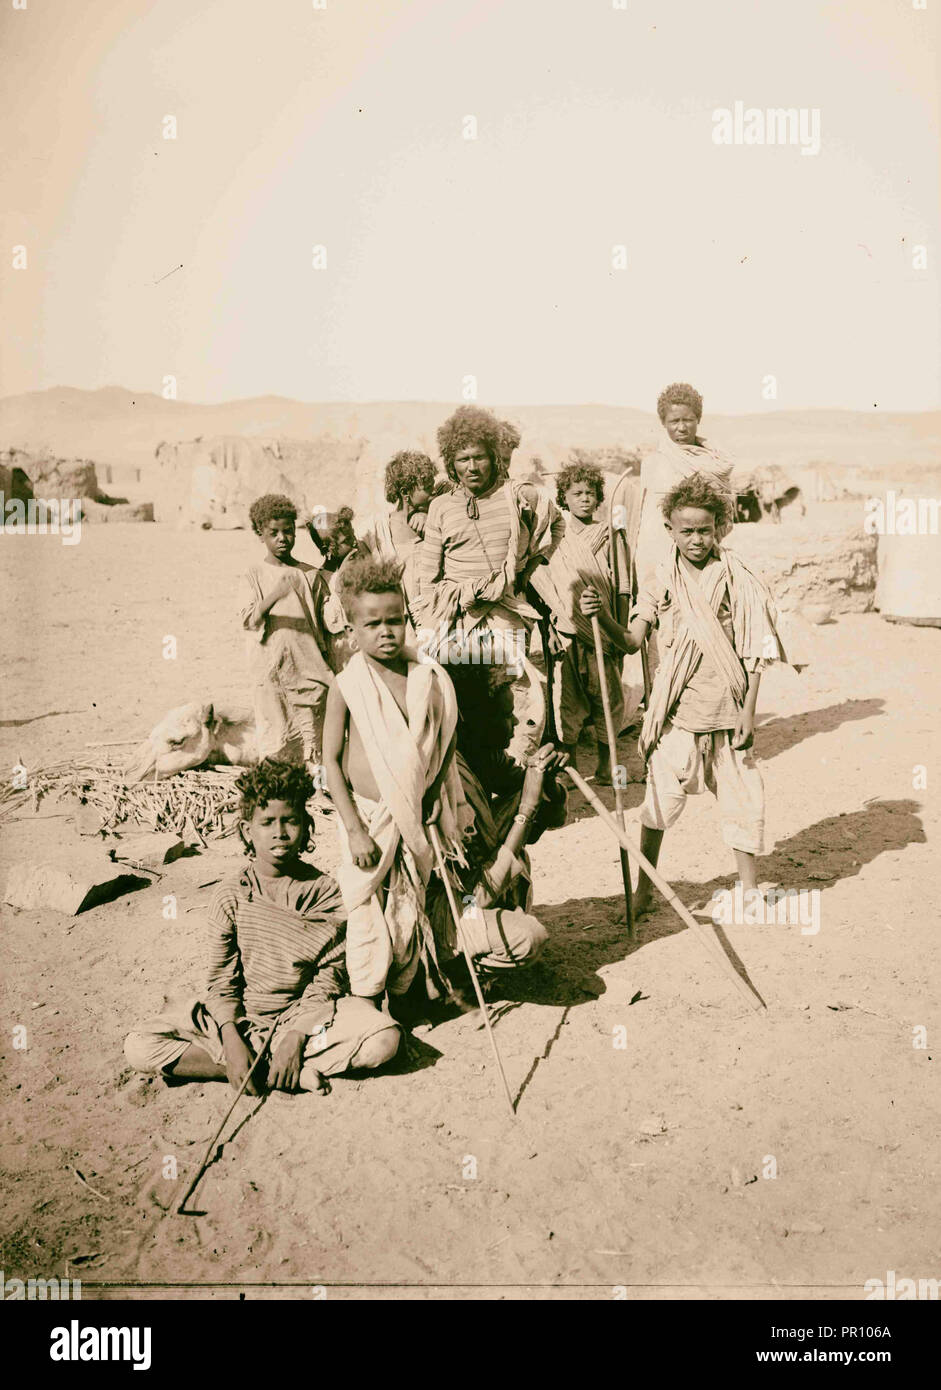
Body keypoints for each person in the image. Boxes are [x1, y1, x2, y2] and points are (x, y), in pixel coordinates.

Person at [580, 473, 792, 916]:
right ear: (670, 530)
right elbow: (633, 641)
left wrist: (749, 714)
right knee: (657, 804)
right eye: (687, 531)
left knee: (741, 801)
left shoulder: (737, 577)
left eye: (705, 529)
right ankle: (644, 889)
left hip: (728, 711)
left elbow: (756, 650)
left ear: (720, 527)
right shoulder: (661, 580)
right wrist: (599, 618)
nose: (696, 539)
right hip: (677, 714)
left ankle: (749, 889)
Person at [123, 760, 401, 1093]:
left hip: (306, 1018)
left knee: (385, 1039)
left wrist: (296, 1035)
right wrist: (230, 1037)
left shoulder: (324, 892)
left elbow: (329, 978)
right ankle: (263, 1068)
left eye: (291, 821)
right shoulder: (232, 894)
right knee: (139, 1045)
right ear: (246, 831)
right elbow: (221, 981)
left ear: (307, 828)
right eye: (267, 822)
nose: (280, 833)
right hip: (239, 1017)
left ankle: (269, 1064)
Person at [321, 556, 473, 1008]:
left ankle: (407, 996)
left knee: (408, 906)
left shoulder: (429, 678)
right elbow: (330, 760)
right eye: (372, 624)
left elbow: (445, 741)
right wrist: (353, 828)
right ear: (351, 631)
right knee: (369, 911)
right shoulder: (346, 686)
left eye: (396, 620)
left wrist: (435, 793)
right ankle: (366, 1002)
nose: (386, 631)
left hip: (418, 811)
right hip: (369, 819)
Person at [412, 405, 565, 761]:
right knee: (451, 693)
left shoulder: (518, 497)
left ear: (493, 457)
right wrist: (429, 622)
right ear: (451, 463)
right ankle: (466, 775)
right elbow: (427, 574)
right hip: (454, 616)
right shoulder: (440, 507)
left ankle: (519, 772)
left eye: (479, 457)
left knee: (513, 693)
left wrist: (525, 571)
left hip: (503, 613)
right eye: (463, 459)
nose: (472, 466)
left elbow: (556, 524)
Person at [532, 461, 628, 783]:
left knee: (608, 701)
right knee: (568, 703)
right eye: (577, 493)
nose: (584, 498)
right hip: (568, 632)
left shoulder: (611, 536)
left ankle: (606, 767)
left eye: (590, 493)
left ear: (600, 497)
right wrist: (552, 627)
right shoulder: (555, 538)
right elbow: (546, 583)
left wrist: (621, 632)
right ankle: (569, 770)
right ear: (565, 497)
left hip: (604, 629)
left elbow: (623, 586)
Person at [241, 494, 334, 769]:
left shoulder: (310, 574)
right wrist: (275, 595)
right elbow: (249, 619)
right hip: (272, 671)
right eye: (274, 533)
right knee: (277, 736)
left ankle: (317, 791)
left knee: (313, 738)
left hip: (309, 668)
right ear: (260, 534)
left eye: (288, 531)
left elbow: (324, 622)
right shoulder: (254, 574)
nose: (283, 538)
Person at [633, 382, 737, 591]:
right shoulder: (654, 463)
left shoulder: (716, 463)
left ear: (698, 419)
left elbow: (725, 513)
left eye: (688, 420)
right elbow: (647, 518)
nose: (681, 427)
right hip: (658, 552)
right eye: (674, 421)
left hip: (701, 551)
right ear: (663, 423)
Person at [359, 451, 438, 615]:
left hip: (433, 618)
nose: (434, 492)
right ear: (404, 492)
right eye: (428, 488)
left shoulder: (436, 519)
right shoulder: (377, 530)